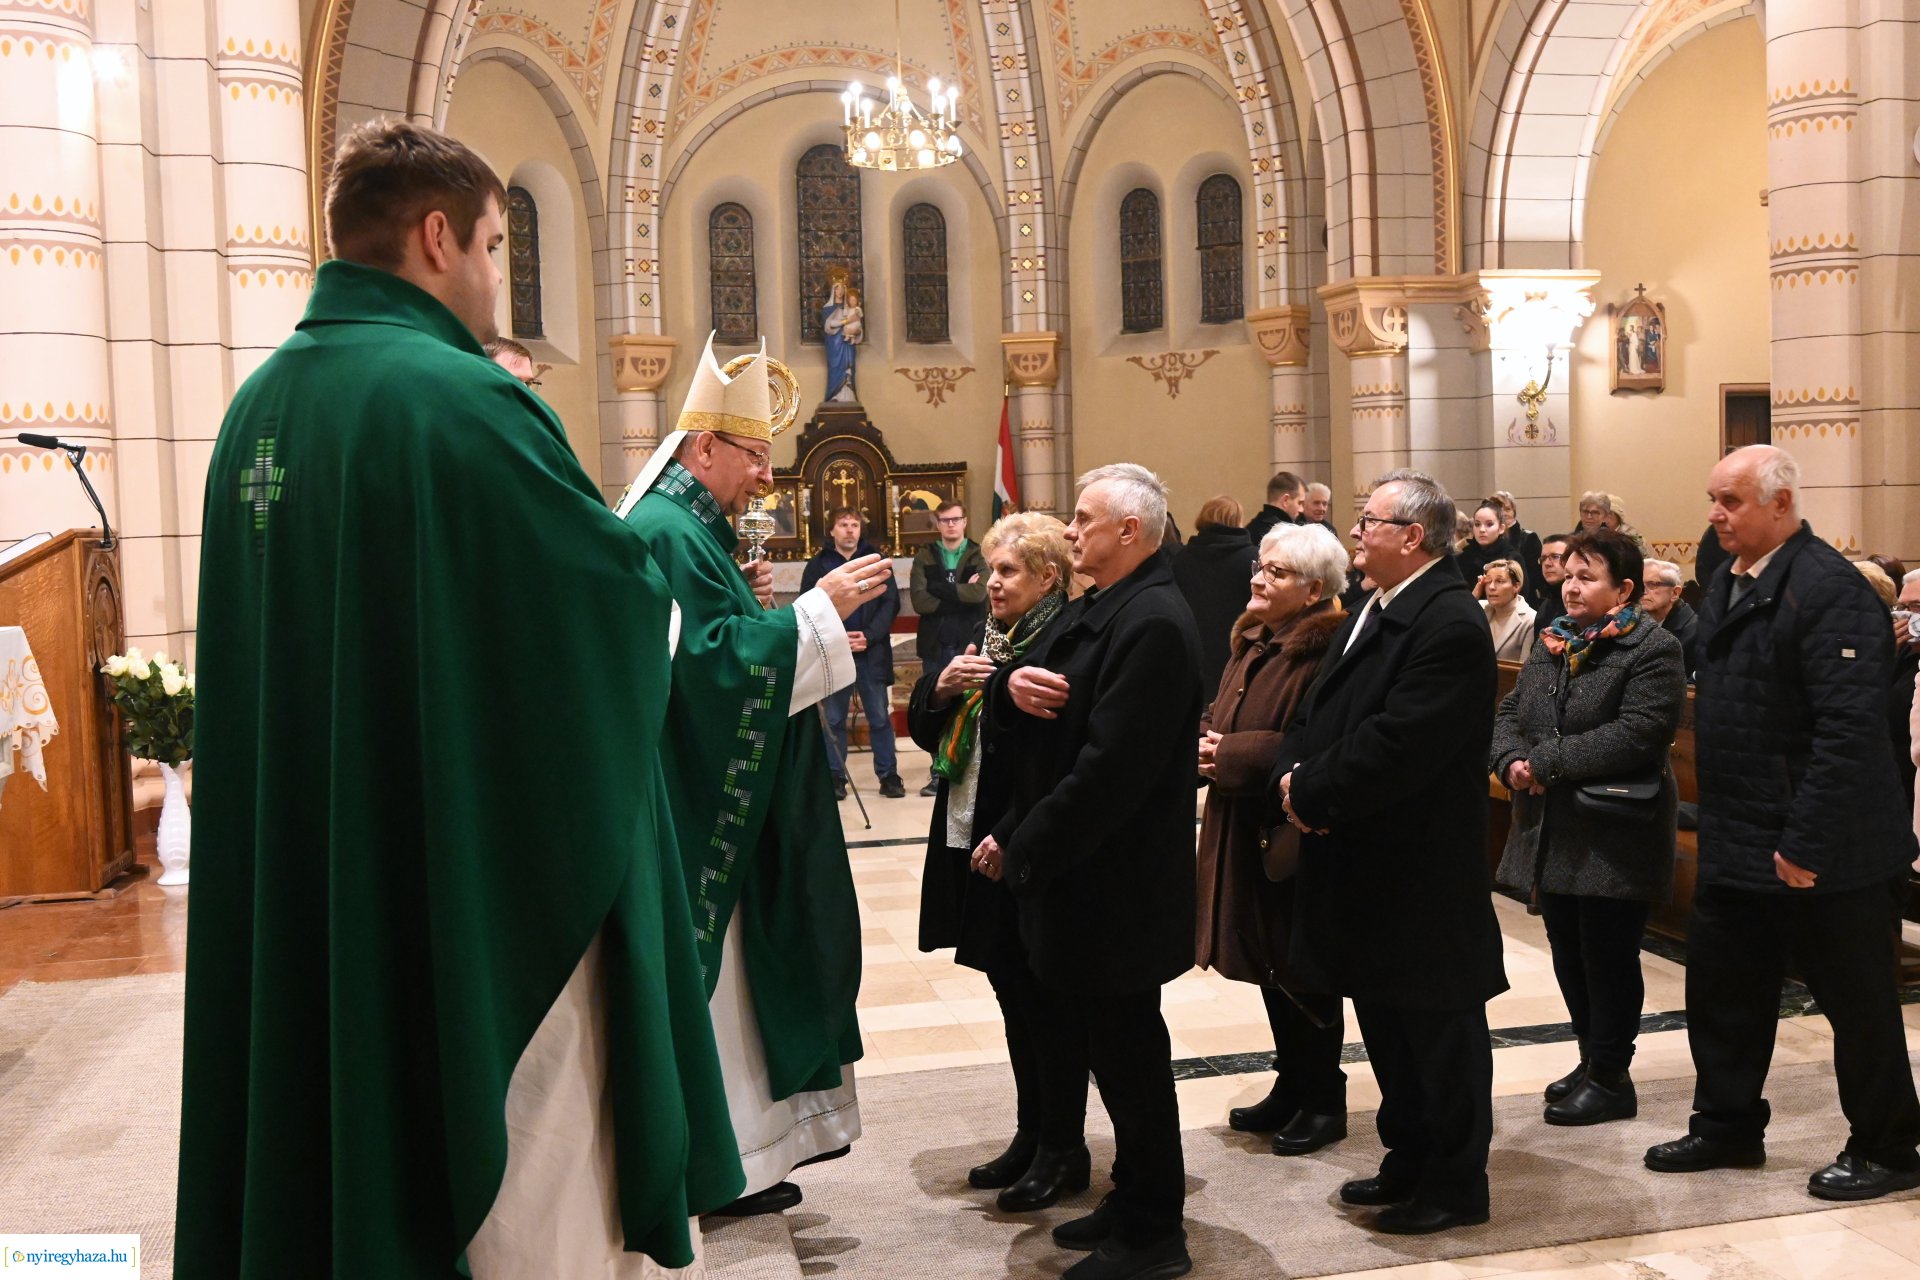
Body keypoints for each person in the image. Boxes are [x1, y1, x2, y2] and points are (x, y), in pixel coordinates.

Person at [176, 119, 742, 1278]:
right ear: (439, 237)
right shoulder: (462, 400)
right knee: (525, 1180)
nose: (498, 274)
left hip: (316, 861)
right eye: (495, 242)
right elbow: (608, 607)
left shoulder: (253, 411)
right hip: (451, 880)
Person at [618, 333, 892, 1217]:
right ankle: (719, 1160)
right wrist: (817, 611)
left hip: (714, 793)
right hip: (702, 810)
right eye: (755, 457)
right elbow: (706, 667)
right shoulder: (668, 529)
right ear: (703, 448)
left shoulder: (691, 527)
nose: (767, 481)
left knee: (741, 996)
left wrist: (798, 622)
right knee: (724, 994)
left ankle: (742, 1158)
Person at [1645, 445, 1920, 1201]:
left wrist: (1806, 842)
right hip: (1742, 833)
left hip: (1829, 847)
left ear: (1781, 503)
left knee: (1857, 1004)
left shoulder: (1828, 589)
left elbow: (1848, 732)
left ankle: (1891, 1146)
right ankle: (1727, 1125)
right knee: (1725, 990)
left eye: (1731, 501)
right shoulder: (1733, 585)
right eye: (1713, 499)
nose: (1715, 514)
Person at [974, 463, 1203, 1280]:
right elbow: (1049, 731)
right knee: (1112, 1049)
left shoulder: (1153, 623)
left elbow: (1109, 773)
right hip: (1087, 879)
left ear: (1129, 533)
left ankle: (1154, 1233)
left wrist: (1025, 841)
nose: (1071, 532)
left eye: (1082, 519)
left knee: (1133, 1057)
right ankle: (1132, 1194)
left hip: (1119, 884)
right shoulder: (1107, 607)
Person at [1273, 469, 1507, 1236]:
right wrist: (1297, 770)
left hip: (1420, 864)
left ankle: (1454, 1180)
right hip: (1364, 854)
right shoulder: (1376, 606)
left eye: (1368, 521)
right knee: (1388, 1025)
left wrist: (1312, 791)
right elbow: (1323, 707)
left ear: (1413, 537)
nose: (1356, 532)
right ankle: (1407, 1155)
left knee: (1437, 1031)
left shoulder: (1448, 623)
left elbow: (1401, 741)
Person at [910, 514, 1079, 1209]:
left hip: (1021, 838)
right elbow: (937, 730)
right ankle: (1030, 1132)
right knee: (1011, 990)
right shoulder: (993, 635)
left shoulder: (1062, 638)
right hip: (970, 825)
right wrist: (942, 688)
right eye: (989, 570)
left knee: (1045, 1002)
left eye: (1007, 571)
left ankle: (1060, 1148)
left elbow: (1058, 757)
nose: (992, 583)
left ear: (1048, 577)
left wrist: (1013, 832)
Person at [1492, 529, 1686, 1127]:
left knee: (1608, 954)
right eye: (1569, 575)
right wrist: (1508, 761)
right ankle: (1589, 1056)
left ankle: (1612, 1076)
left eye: (1587, 577)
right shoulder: (1556, 640)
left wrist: (1542, 764)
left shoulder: (1652, 649)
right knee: (1568, 948)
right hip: (1552, 826)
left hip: (1613, 827)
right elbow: (1508, 712)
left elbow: (1638, 731)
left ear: (1624, 589)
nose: (1571, 586)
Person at [1196, 523, 1349, 1156]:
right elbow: (1222, 709)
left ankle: (1324, 1098)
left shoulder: (1326, 649)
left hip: (1287, 826)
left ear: (1314, 591)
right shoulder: (1254, 637)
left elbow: (1312, 740)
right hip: (1241, 818)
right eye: (1260, 566)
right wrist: (1208, 739)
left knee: (1301, 965)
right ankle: (1291, 1082)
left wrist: (1229, 752)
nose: (1258, 578)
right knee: (1266, 961)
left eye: (1276, 572)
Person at [805, 508, 905, 799]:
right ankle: (835, 776)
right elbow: (808, 603)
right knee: (834, 719)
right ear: (833, 531)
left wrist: (869, 636)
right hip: (835, 652)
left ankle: (888, 776)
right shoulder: (819, 565)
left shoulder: (874, 562)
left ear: (860, 530)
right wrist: (837, 635)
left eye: (854, 525)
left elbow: (890, 603)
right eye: (843, 525)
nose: (849, 530)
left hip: (870, 654)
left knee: (879, 717)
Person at [910, 500, 988, 795]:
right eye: (945, 520)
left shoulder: (978, 552)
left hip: (970, 639)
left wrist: (939, 588)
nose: (951, 525)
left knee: (969, 705)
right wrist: (960, 592)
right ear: (937, 523)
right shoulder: (924, 555)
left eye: (956, 519)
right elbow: (920, 600)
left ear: (965, 521)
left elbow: (980, 593)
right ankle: (937, 772)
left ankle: (966, 766)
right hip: (935, 641)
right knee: (936, 703)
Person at [1172, 495, 1256, 696]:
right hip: (1236, 649)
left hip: (1194, 651)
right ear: (1237, 521)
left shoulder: (1182, 558)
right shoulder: (1252, 558)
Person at [1890, 568, 1920, 815]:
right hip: (1896, 786)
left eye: (1916, 606)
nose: (1907, 615)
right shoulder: (1901, 652)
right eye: (1902, 607)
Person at [1640, 558, 1699, 678]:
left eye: (1652, 585)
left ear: (1675, 593)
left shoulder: (1695, 631)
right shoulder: (1635, 623)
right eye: (1639, 585)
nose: (1642, 591)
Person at [1491, 490, 1544, 607]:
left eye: (1508, 509)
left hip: (1524, 601)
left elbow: (1536, 577)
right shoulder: (1490, 540)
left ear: (1514, 511)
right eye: (1499, 510)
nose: (1504, 513)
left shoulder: (1529, 538)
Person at [1477, 558, 1536, 662]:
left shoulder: (1530, 620)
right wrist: (1475, 594)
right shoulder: (1479, 608)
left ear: (1516, 586)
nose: (1491, 587)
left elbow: (1525, 670)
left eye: (1500, 581)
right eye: (1488, 581)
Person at [1458, 498, 1515, 586]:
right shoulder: (1463, 556)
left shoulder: (1512, 557)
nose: (1482, 530)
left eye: (1489, 524)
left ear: (1501, 528)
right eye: (1477, 524)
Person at [1246, 471, 1305, 545]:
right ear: (1285, 500)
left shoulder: (1250, 529)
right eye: (1299, 503)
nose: (1301, 510)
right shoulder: (1285, 535)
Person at [1534, 533, 1571, 636]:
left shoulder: (1577, 602)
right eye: (1543, 558)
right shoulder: (1545, 606)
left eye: (1555, 557)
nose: (1547, 563)